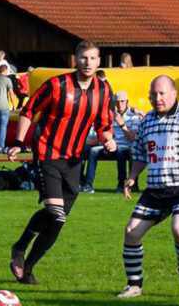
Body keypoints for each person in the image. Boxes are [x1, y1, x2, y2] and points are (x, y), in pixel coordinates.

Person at [6, 39, 115, 285]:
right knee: (56, 214)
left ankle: (26, 262)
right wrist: (19, 142)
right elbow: (28, 110)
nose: (88, 63)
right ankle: (20, 251)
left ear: (99, 61)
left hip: (75, 161)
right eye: (83, 58)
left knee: (55, 218)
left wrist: (108, 140)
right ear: (75, 60)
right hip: (48, 155)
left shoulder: (104, 90)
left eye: (93, 58)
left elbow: (103, 125)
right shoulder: (57, 85)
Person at [117, 76, 179, 299]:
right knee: (132, 232)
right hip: (156, 189)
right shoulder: (147, 120)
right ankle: (134, 285)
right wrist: (132, 176)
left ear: (173, 94)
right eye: (153, 94)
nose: (157, 99)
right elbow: (141, 154)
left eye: (161, 94)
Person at [82, 90, 140, 193]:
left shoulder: (134, 117)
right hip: (108, 143)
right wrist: (106, 140)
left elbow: (132, 138)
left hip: (125, 146)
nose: (119, 104)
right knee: (93, 151)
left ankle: (121, 184)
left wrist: (122, 125)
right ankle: (88, 185)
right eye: (117, 102)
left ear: (127, 102)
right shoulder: (108, 115)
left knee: (120, 151)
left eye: (122, 101)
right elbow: (102, 132)